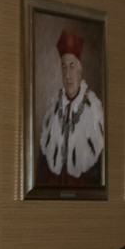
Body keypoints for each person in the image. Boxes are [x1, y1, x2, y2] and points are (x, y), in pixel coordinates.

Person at [37, 29, 104, 186]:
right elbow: (43, 160)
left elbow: (98, 167)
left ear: (80, 70)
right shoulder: (53, 107)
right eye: (64, 67)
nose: (67, 75)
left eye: (72, 66)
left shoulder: (93, 107)